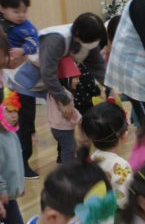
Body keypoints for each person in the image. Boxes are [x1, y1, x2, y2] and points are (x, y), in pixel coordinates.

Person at [7, 13, 107, 180]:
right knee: (25, 126)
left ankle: (65, 161)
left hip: (52, 87)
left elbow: (98, 67)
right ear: (77, 35)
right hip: (27, 83)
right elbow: (48, 74)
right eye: (91, 41)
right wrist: (64, 100)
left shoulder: (88, 41)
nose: (93, 45)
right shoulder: (56, 40)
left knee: (64, 127)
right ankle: (21, 165)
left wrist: (110, 87)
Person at [0, 83, 24, 224]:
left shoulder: (12, 134)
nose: (14, 115)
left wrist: (19, 185)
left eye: (16, 111)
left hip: (9, 195)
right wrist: (2, 189)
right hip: (2, 194)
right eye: (9, 111)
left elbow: (18, 162)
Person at [0, 0, 38, 68]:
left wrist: (22, 50)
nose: (21, 15)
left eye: (25, 11)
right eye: (16, 12)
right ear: (2, 9)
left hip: (15, 62)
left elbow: (34, 43)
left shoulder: (27, 28)